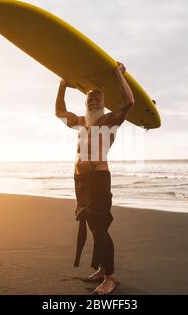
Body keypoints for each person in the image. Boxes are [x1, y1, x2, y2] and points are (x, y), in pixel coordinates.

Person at [55, 62, 135, 295]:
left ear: (103, 102)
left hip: (99, 179)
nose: (92, 101)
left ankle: (110, 278)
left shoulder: (109, 121)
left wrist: (118, 74)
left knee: (100, 228)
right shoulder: (80, 122)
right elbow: (59, 112)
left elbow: (129, 102)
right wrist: (62, 86)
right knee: (91, 226)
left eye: (97, 98)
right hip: (80, 181)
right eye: (89, 98)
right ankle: (101, 269)